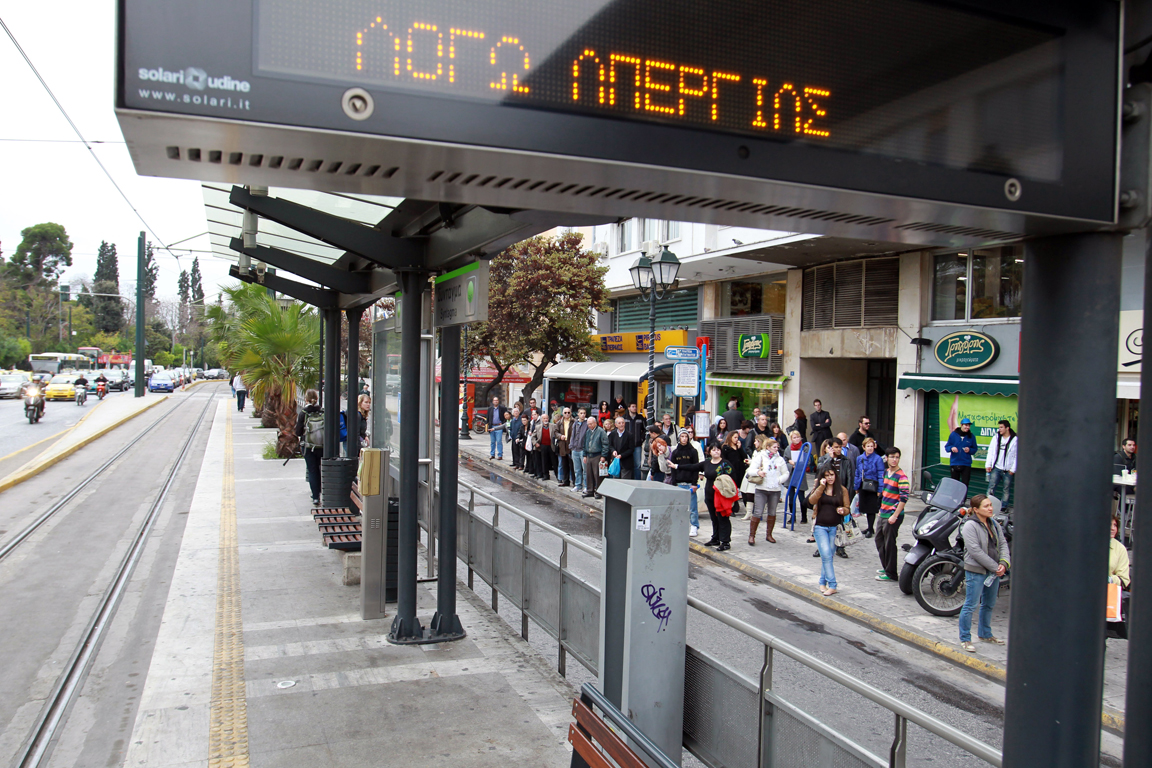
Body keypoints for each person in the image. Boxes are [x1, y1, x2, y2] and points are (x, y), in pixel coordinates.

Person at [958, 494, 1010, 652]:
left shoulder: (993, 523)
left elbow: (1002, 543)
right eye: (986, 506)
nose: (990, 508)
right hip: (977, 571)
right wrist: (995, 567)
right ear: (975, 510)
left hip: (993, 572)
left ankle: (985, 634)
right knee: (970, 605)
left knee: (989, 604)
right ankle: (965, 639)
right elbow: (975, 551)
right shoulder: (969, 526)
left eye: (990, 505)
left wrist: (1004, 563)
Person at [669, 441, 734, 550]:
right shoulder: (707, 463)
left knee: (722, 517)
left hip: (721, 495)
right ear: (710, 452)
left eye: (718, 449)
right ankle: (716, 538)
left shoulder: (725, 464)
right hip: (709, 494)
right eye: (713, 449)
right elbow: (693, 466)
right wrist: (676, 466)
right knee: (713, 517)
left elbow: (732, 477)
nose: (716, 451)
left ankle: (725, 541)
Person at [808, 467, 849, 596]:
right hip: (820, 526)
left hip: (835, 527)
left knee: (829, 556)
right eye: (827, 475)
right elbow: (811, 501)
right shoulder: (820, 488)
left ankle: (822, 582)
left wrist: (843, 510)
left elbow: (847, 508)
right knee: (825, 555)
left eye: (832, 475)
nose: (830, 478)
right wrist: (821, 487)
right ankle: (833, 585)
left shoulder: (842, 490)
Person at [874, 448, 910, 582]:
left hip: (893, 515)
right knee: (879, 540)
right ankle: (886, 566)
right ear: (887, 458)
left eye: (897, 457)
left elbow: (904, 498)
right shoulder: (886, 472)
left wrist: (895, 515)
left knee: (889, 544)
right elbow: (885, 493)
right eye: (892, 457)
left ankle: (891, 573)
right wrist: (881, 509)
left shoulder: (902, 476)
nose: (894, 459)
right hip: (883, 513)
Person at [744, 435, 788, 544]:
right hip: (762, 488)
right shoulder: (760, 456)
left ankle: (769, 535)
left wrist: (779, 480)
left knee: (772, 512)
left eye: (777, 447)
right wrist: (758, 472)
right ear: (767, 447)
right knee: (758, 512)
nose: (776, 449)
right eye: (774, 447)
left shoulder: (780, 459)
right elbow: (750, 470)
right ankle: (752, 536)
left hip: (775, 489)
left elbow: (786, 473)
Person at [671, 429, 703, 536]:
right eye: (682, 436)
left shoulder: (693, 451)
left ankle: (694, 525)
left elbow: (695, 468)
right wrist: (674, 483)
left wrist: (695, 483)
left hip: (690, 483)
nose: (684, 438)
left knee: (693, 507)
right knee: (679, 507)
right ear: (679, 438)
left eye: (686, 436)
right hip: (679, 482)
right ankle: (681, 525)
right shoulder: (675, 452)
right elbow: (673, 469)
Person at [295, 389, 323, 505]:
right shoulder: (322, 411)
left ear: (305, 399)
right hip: (322, 446)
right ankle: (322, 491)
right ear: (317, 398)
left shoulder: (304, 413)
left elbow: (298, 432)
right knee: (321, 468)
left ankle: (315, 496)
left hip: (308, 446)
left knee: (312, 470)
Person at [854, 438, 884, 538]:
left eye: (872, 446)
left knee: (872, 508)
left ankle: (871, 528)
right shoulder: (860, 458)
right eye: (868, 446)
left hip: (873, 486)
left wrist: (880, 489)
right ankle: (868, 527)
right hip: (863, 485)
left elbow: (880, 474)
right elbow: (857, 472)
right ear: (864, 447)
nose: (870, 448)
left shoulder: (878, 459)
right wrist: (856, 486)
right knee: (865, 507)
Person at [780, 430, 811, 524]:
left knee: (801, 496)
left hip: (800, 474)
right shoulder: (788, 448)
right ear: (791, 439)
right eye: (794, 437)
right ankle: (792, 516)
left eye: (798, 437)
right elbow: (785, 461)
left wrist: (796, 464)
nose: (797, 439)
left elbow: (807, 461)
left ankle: (804, 517)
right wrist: (791, 465)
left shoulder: (805, 448)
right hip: (791, 474)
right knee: (791, 496)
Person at [986, 420, 1017, 509]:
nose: (999, 429)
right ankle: (988, 505)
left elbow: (1017, 455)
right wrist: (988, 464)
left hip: (1008, 470)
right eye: (999, 427)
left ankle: (1003, 507)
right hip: (996, 467)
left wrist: (1012, 470)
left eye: (1001, 427)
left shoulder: (1015, 439)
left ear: (1007, 428)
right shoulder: (996, 437)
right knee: (991, 487)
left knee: (1006, 489)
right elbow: (991, 451)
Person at [721, 430, 750, 516]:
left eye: (737, 437)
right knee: (732, 490)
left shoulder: (738, 447)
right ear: (730, 438)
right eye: (735, 437)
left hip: (740, 470)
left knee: (742, 489)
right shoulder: (726, 447)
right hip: (731, 471)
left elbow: (744, 458)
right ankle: (732, 508)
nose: (736, 439)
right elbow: (724, 459)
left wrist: (740, 448)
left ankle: (748, 509)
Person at [945, 417, 978, 488]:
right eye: (966, 425)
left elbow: (975, 449)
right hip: (955, 463)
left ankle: (963, 499)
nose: (967, 427)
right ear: (961, 425)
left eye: (969, 425)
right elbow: (947, 447)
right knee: (954, 484)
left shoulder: (971, 436)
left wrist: (969, 450)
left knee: (965, 484)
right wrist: (952, 448)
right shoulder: (953, 435)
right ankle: (954, 498)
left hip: (966, 464)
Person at [582, 416, 608, 499]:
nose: (589, 425)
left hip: (597, 455)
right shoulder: (588, 432)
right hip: (589, 455)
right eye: (588, 424)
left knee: (598, 475)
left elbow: (605, 444)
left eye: (590, 424)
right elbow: (585, 443)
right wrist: (584, 455)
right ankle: (590, 490)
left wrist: (603, 455)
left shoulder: (601, 431)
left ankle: (598, 491)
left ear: (595, 423)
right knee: (589, 474)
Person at [553, 406, 576, 487]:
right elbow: (555, 432)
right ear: (562, 413)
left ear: (571, 413)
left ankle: (574, 482)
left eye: (568, 412)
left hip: (571, 445)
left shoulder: (574, 422)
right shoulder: (559, 423)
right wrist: (560, 436)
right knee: (564, 464)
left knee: (572, 465)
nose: (567, 414)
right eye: (565, 412)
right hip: (562, 445)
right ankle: (566, 481)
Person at [570, 408, 589, 493]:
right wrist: (571, 445)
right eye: (581, 413)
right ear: (578, 414)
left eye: (584, 413)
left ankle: (586, 486)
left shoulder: (587, 423)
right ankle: (578, 485)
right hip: (575, 448)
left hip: (583, 449)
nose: (583, 415)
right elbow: (572, 435)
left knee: (585, 469)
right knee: (577, 469)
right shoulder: (575, 423)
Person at [487, 395, 510, 460]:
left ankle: (500, 455)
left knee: (499, 441)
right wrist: (487, 425)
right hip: (492, 426)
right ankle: (492, 454)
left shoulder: (502, 408)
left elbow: (506, 416)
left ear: (498, 401)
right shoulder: (490, 409)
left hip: (499, 426)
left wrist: (503, 423)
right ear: (493, 402)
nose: (496, 401)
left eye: (497, 400)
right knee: (492, 441)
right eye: (494, 400)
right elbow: (488, 418)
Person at [534, 409, 554, 480]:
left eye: (547, 418)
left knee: (554, 461)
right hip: (543, 446)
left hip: (551, 446)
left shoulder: (553, 426)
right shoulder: (538, 427)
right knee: (544, 461)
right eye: (544, 418)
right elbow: (533, 436)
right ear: (542, 419)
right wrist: (535, 443)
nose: (546, 419)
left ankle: (558, 476)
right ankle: (546, 475)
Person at [626, 403, 646, 472]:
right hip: (626, 445)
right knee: (627, 465)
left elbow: (645, 429)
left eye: (635, 407)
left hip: (637, 444)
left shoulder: (640, 418)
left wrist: (641, 438)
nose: (634, 408)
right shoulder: (624, 418)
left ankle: (637, 481)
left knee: (637, 465)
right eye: (633, 407)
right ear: (629, 408)